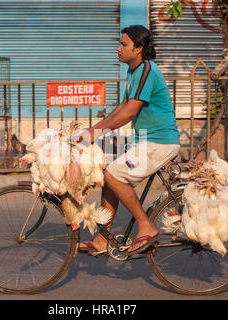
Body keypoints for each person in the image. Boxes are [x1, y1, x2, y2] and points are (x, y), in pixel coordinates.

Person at [78, 25, 181, 255]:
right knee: (109, 176)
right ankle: (103, 239)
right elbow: (123, 106)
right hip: (144, 139)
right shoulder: (133, 71)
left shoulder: (147, 70)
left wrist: (96, 132)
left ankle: (146, 226)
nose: (118, 48)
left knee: (113, 175)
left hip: (159, 142)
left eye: (123, 44)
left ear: (139, 48)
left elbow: (131, 112)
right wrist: (94, 129)